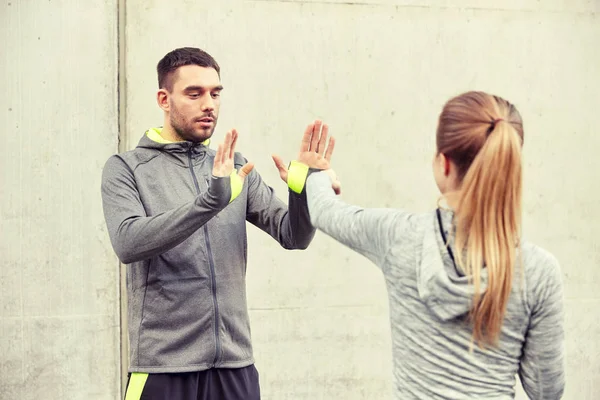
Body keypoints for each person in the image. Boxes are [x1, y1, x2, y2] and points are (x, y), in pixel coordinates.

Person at [100, 47, 335, 400]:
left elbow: (293, 235)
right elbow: (128, 242)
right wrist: (209, 202)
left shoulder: (236, 168)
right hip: (164, 369)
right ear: (164, 99)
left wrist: (303, 190)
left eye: (215, 93)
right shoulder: (126, 168)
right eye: (194, 93)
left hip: (234, 366)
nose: (208, 104)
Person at [304, 91, 565, 399]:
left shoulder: (398, 237)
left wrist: (315, 172)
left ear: (443, 164)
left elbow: (324, 210)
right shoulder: (537, 272)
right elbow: (546, 391)